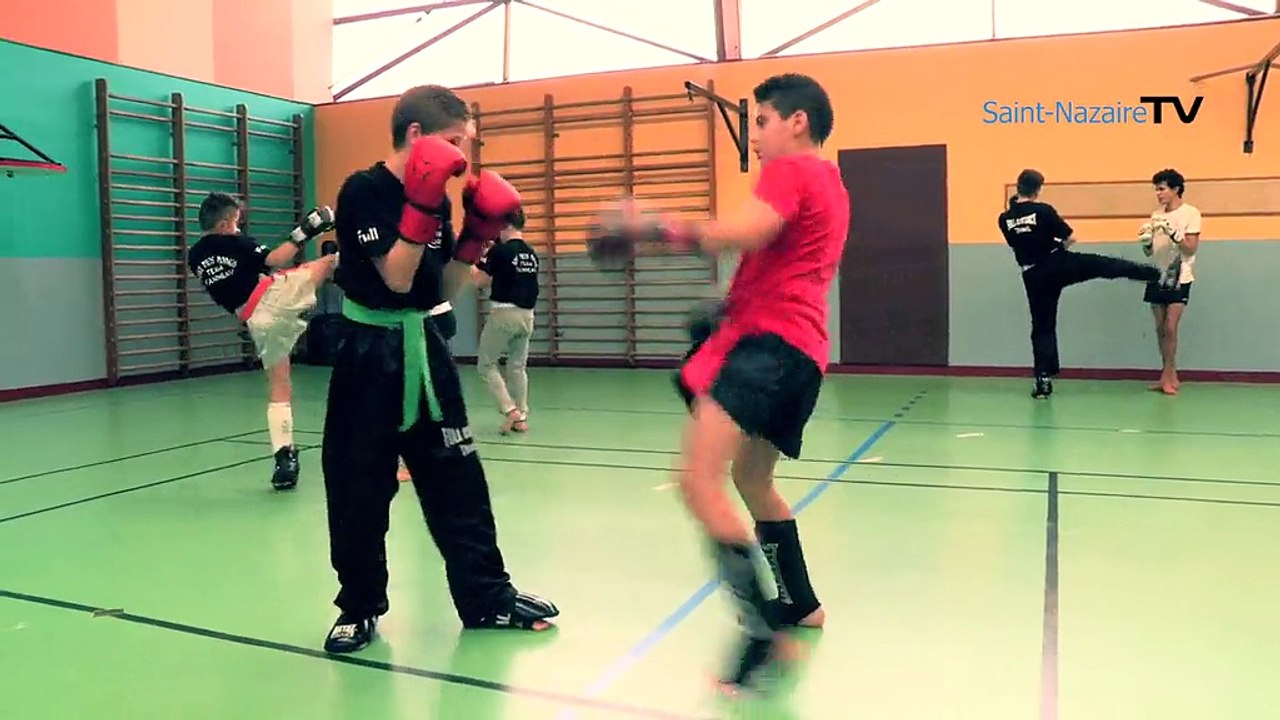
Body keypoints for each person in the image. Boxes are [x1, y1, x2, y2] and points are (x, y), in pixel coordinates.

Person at [587, 72, 842, 693]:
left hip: (767, 347)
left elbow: (745, 232)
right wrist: (726, 306)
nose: (756, 136)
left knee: (696, 482)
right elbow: (777, 259)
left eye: (761, 121)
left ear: (796, 122)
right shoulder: (831, 182)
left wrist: (651, 226)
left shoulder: (792, 170)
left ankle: (762, 638)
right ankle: (800, 603)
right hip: (801, 353)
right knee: (752, 479)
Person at [321, 84, 558, 654]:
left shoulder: (441, 199)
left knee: (460, 482)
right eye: (455, 143)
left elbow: (437, 290)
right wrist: (424, 206)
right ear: (417, 137)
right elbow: (396, 279)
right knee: (358, 488)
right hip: (367, 353)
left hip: (424, 348)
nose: (463, 159)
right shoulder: (365, 190)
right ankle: (358, 607)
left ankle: (487, 598)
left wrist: (474, 237)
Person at [187, 192, 337, 490]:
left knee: (280, 386)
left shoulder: (194, 256)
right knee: (332, 262)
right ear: (223, 224)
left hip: (255, 320)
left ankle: (285, 458)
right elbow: (275, 259)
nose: (239, 228)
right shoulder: (233, 241)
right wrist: (305, 232)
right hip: (271, 298)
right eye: (235, 222)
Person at [997, 169, 1170, 399]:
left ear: (1018, 186)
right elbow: (1070, 238)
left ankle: (1043, 379)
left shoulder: (1004, 219)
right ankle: (1150, 274)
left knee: (1042, 326)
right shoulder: (1043, 210)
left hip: (1032, 275)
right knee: (1101, 266)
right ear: (1038, 189)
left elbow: (1016, 244)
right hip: (1057, 263)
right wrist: (1056, 247)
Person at [473, 208, 539, 434]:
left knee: (485, 364)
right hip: (527, 315)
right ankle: (521, 417)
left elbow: (480, 281)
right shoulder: (531, 253)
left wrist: (469, 261)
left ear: (506, 225)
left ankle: (509, 409)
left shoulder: (499, 251)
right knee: (517, 366)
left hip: (504, 314)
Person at [1141, 168, 1200, 395]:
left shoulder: (1191, 213)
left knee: (1170, 327)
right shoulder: (1156, 214)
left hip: (1179, 276)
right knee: (1159, 328)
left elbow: (1191, 247)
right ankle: (1168, 374)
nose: (1158, 193)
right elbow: (1151, 252)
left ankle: (1168, 374)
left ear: (1175, 189)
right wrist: (1146, 243)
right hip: (1157, 273)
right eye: (1156, 189)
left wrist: (1175, 234)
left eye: (1162, 189)